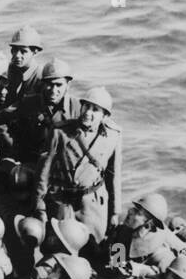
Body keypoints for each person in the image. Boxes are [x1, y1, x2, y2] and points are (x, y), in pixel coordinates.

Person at [34, 87, 121, 245]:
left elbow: (114, 176)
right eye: (86, 106)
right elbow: (43, 171)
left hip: (93, 203)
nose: (88, 112)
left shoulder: (113, 136)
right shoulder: (60, 131)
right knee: (61, 243)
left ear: (104, 116)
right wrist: (40, 204)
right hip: (63, 200)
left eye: (95, 110)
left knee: (94, 246)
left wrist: (115, 212)